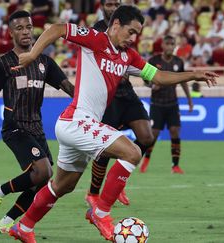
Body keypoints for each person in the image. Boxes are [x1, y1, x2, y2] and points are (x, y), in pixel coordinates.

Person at [7, 5, 218, 242]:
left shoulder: (128, 57)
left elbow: (158, 76)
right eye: (131, 31)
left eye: (137, 34)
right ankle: (101, 211)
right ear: (115, 24)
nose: (133, 38)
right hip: (77, 120)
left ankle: (24, 227)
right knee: (132, 152)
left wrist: (192, 74)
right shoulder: (96, 40)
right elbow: (57, 28)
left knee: (62, 186)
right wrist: (34, 54)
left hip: (77, 127)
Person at [0, 10, 74, 234]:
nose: (25, 32)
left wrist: (87, 100)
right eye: (20, 28)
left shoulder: (45, 62)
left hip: (36, 127)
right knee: (43, 171)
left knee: (43, 180)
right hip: (14, 127)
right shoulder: (3, 63)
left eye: (29, 27)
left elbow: (68, 87)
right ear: (11, 32)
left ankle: (7, 220)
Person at [85, 0, 155, 208]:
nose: (112, 6)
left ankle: (117, 179)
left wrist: (147, 75)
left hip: (127, 92)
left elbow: (132, 59)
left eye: (116, 3)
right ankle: (93, 193)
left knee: (146, 136)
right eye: (109, 3)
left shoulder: (129, 28)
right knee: (105, 147)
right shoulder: (97, 31)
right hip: (108, 94)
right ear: (102, 6)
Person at [140, 35, 193, 174]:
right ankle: (146, 160)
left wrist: (189, 100)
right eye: (168, 44)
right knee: (154, 134)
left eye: (172, 44)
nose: (170, 46)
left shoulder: (178, 62)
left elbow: (183, 81)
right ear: (162, 45)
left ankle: (175, 165)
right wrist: (152, 85)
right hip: (157, 104)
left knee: (175, 131)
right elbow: (145, 79)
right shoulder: (154, 61)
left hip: (172, 104)